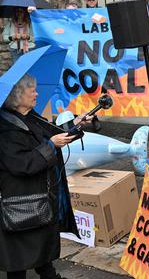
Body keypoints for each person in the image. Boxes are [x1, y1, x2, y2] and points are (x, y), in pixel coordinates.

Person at [0, 74, 86, 279]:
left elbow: (53, 133)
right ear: (17, 95)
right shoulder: (5, 128)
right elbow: (22, 164)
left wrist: (77, 123)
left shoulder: (30, 116)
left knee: (41, 239)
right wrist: (50, 146)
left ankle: (49, 275)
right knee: (18, 252)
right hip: (19, 199)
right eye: (32, 90)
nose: (37, 93)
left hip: (40, 195)